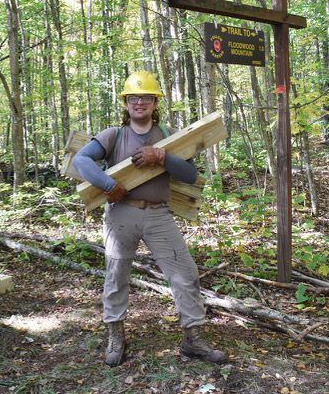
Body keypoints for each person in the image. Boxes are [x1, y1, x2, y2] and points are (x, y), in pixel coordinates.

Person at [73, 70, 226, 367]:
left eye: (145, 97)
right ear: (126, 103)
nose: (139, 102)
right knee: (116, 277)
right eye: (133, 98)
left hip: (159, 215)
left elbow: (191, 174)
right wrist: (109, 185)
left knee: (186, 275)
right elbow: (81, 160)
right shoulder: (114, 135)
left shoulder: (169, 136)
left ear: (155, 103)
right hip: (121, 215)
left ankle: (193, 340)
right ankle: (116, 337)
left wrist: (162, 158)